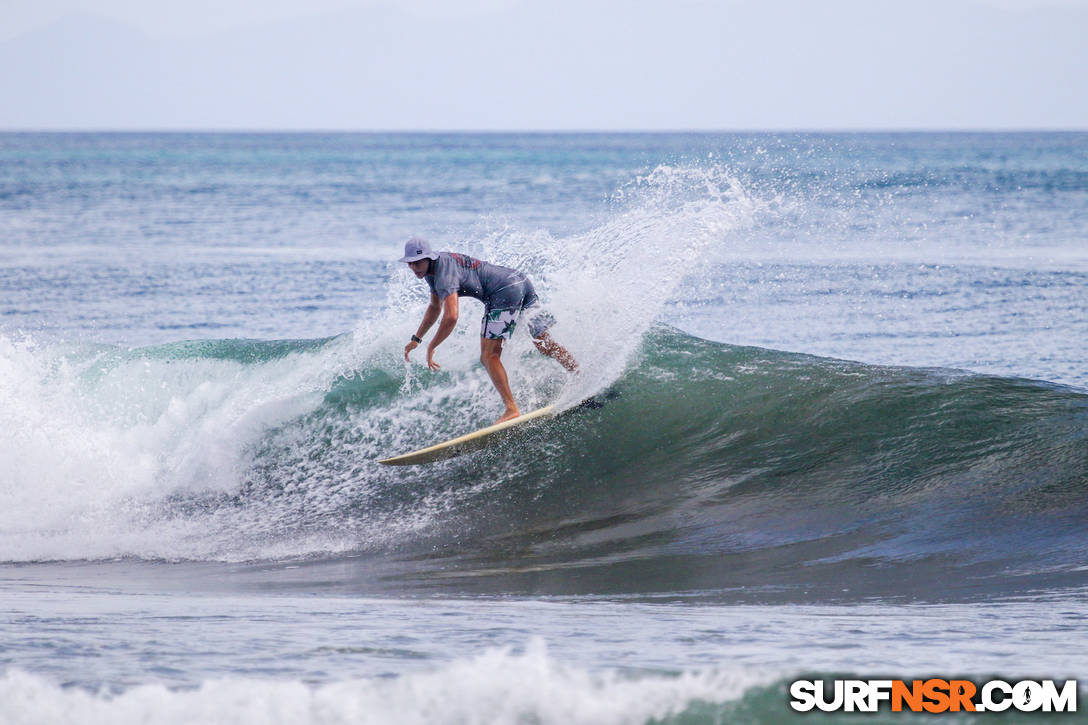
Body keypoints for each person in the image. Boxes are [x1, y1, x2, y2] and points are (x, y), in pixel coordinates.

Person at [399, 237, 578, 424]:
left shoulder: (443, 274)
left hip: (502, 292)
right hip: (520, 280)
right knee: (544, 344)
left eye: (418, 262)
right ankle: (579, 374)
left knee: (488, 356)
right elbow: (435, 307)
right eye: (410, 264)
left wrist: (432, 346)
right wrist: (417, 339)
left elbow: (451, 317)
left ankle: (511, 409)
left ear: (429, 258)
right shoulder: (433, 270)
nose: (414, 268)